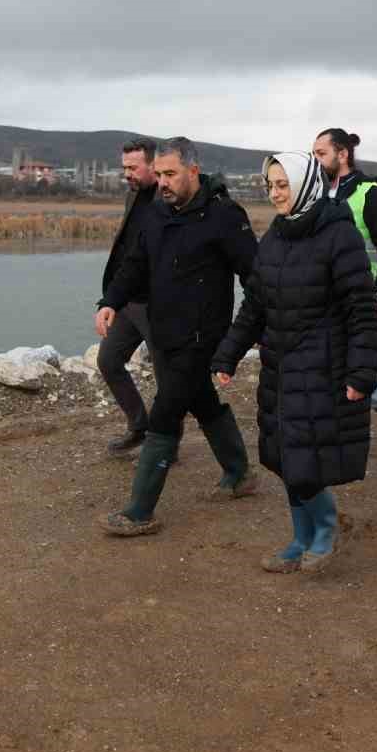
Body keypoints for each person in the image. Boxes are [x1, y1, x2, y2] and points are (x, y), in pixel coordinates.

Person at [211, 152, 377, 574]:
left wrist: (362, 372)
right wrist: (227, 353)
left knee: (306, 457)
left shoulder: (339, 235)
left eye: (282, 185)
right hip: (281, 366)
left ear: (306, 183)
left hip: (323, 367)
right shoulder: (276, 236)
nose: (275, 194)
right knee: (284, 454)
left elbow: (361, 310)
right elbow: (255, 306)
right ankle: (300, 537)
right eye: (270, 186)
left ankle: (323, 530)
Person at [95, 136, 260, 536]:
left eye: (171, 174)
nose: (163, 181)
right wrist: (111, 300)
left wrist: (248, 332)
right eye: (161, 174)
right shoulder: (157, 212)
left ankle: (138, 513)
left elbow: (255, 278)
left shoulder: (224, 215)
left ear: (193, 171)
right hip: (165, 329)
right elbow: (135, 264)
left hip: (205, 335)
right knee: (201, 401)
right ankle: (239, 474)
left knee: (165, 413)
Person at [314, 128, 377, 452]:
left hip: (364, 293)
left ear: (342, 154)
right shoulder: (320, 192)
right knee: (331, 361)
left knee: (353, 364)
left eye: (321, 153)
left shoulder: (370, 193)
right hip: (330, 292)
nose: (316, 160)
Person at [95, 137, 159, 456]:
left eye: (133, 167)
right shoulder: (132, 197)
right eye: (125, 168)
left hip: (159, 305)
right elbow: (127, 253)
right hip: (129, 302)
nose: (128, 174)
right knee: (107, 360)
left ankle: (164, 442)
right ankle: (139, 427)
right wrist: (110, 300)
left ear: (154, 165)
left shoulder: (168, 200)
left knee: (168, 379)